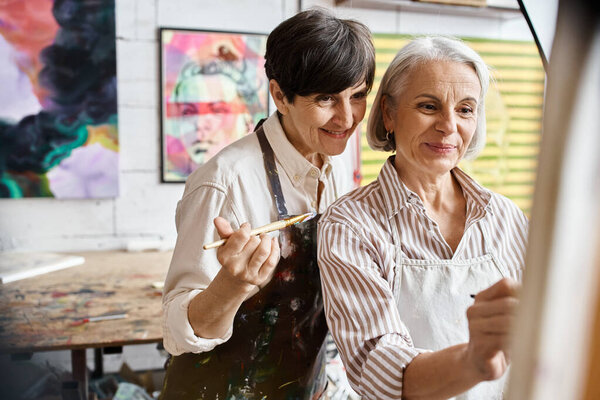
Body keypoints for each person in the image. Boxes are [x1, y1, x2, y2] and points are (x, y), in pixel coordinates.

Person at [160, 8, 375, 400]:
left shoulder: (337, 160)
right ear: (280, 95)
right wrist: (231, 287)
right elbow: (177, 332)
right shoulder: (224, 182)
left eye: (358, 96)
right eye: (326, 98)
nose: (347, 118)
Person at [317, 36, 529, 400]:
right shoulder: (350, 225)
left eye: (465, 110)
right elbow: (380, 373)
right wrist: (474, 361)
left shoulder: (506, 217)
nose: (449, 126)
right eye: (429, 106)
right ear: (388, 113)